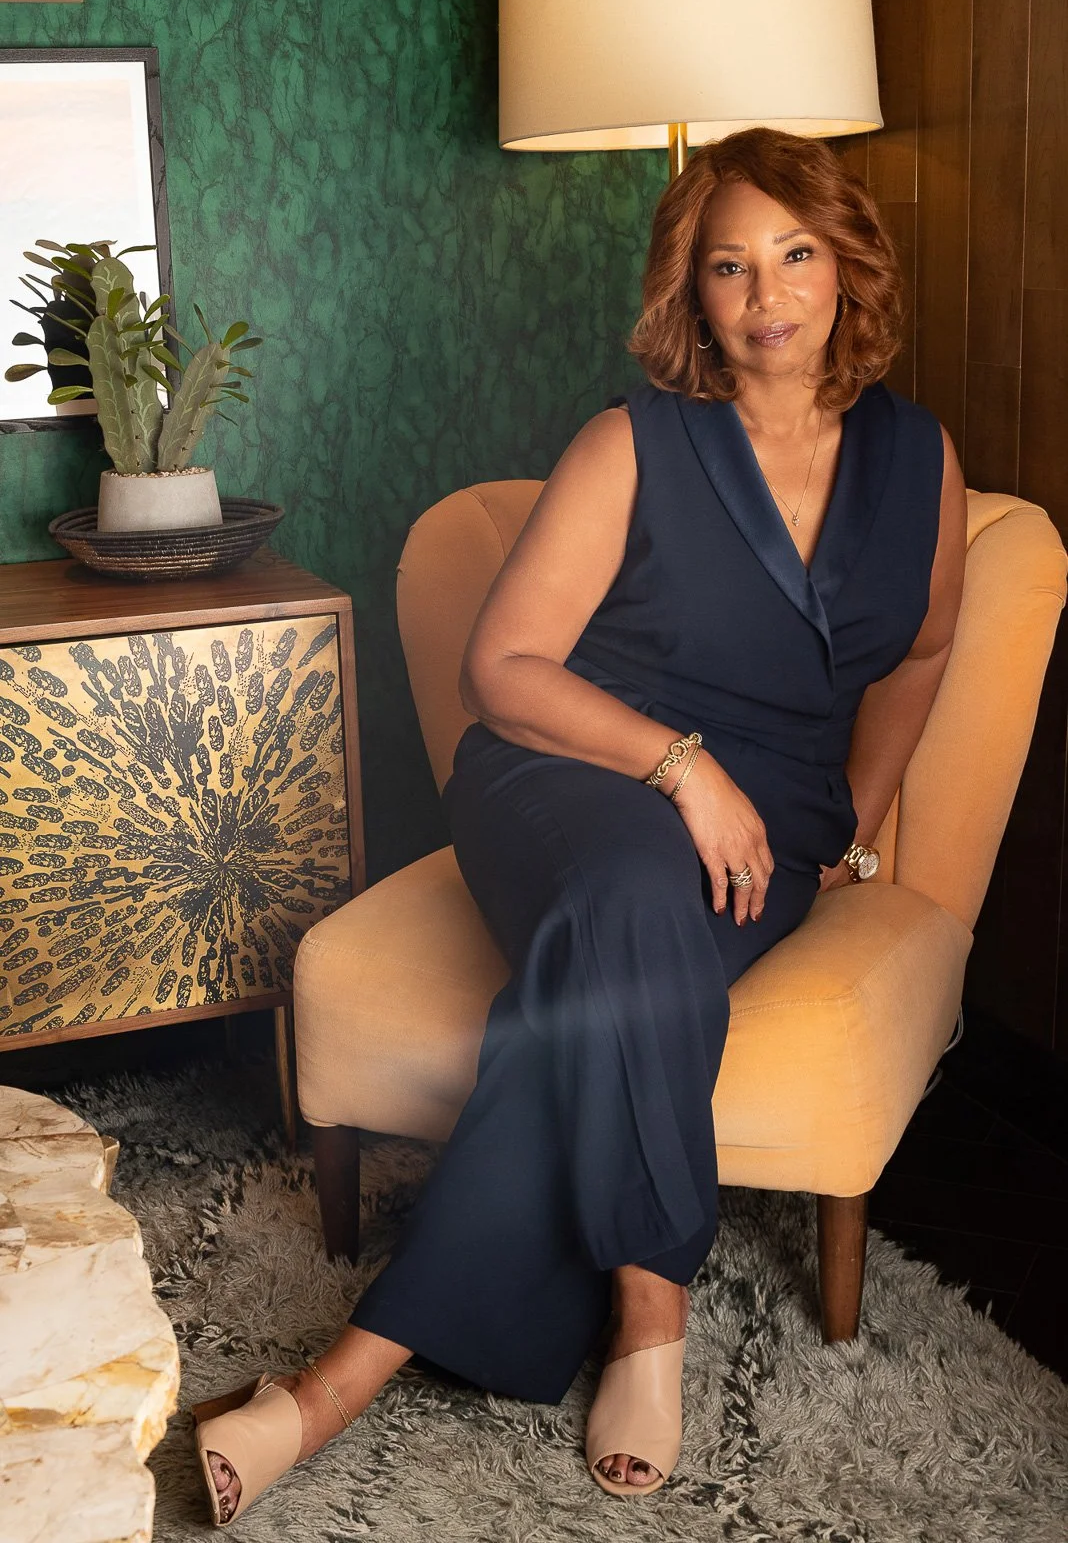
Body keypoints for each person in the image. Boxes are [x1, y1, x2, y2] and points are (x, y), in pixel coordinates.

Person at [192, 127, 967, 1523]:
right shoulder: (635, 440)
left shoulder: (922, 461)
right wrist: (682, 765)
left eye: (796, 255)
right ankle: (647, 1315)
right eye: (729, 265)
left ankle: (336, 1384)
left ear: (849, 266)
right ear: (693, 289)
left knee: (610, 960)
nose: (768, 293)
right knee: (624, 896)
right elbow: (506, 670)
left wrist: (855, 822)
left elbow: (915, 657)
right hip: (570, 769)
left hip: (770, 815)